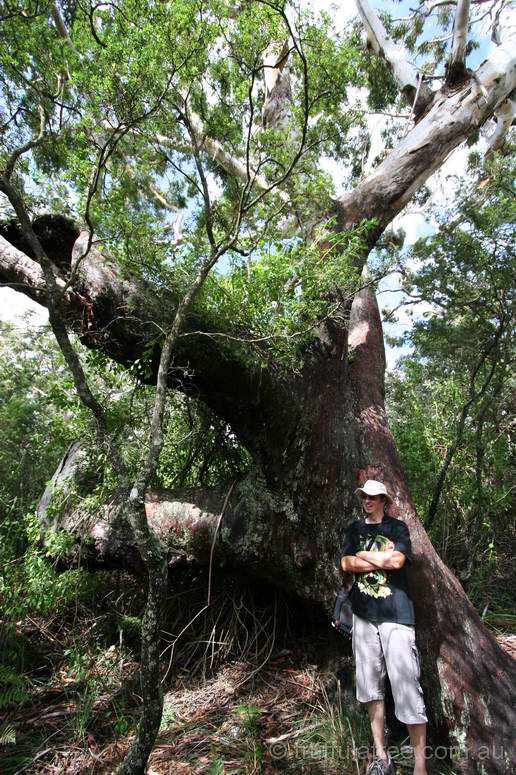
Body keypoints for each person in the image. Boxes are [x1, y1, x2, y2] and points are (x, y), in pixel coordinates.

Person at [340, 479, 427, 775]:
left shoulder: (397, 528)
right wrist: (377, 559)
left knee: (407, 687)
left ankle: (419, 766)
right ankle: (381, 757)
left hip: (397, 616)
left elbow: (399, 560)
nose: (368, 500)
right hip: (364, 617)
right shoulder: (354, 530)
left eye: (374, 497)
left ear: (384, 501)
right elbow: (347, 564)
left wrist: (365, 556)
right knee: (370, 687)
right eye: (364, 496)